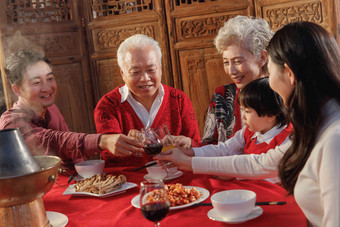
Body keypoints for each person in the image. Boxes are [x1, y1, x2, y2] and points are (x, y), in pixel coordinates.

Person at [0, 50, 143, 165]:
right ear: (17, 89)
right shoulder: (10, 122)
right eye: (36, 82)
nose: (47, 88)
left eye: (50, 79)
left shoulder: (51, 109)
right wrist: (102, 141)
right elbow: (54, 141)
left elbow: (71, 154)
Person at [266, 21, 340, 226]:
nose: (269, 81)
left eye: (270, 72)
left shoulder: (334, 140)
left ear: (289, 73)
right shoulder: (318, 122)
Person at [157, 77, 292, 184]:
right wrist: (190, 152)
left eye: (248, 111)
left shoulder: (287, 138)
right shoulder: (248, 132)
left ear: (270, 115)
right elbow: (223, 150)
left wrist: (233, 174)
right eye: (242, 110)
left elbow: (272, 176)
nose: (242, 116)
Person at [94, 34, 201, 167]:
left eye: (151, 70)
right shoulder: (108, 105)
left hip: (178, 179)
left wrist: (187, 143)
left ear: (160, 69)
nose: (145, 78)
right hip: (129, 182)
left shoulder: (179, 99)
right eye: (135, 72)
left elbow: (197, 147)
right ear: (122, 73)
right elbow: (108, 157)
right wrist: (126, 145)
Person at [202, 15, 274, 144]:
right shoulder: (222, 96)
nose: (231, 71)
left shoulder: (280, 95)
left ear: (262, 57)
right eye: (226, 62)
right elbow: (208, 146)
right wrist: (189, 145)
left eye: (238, 61)